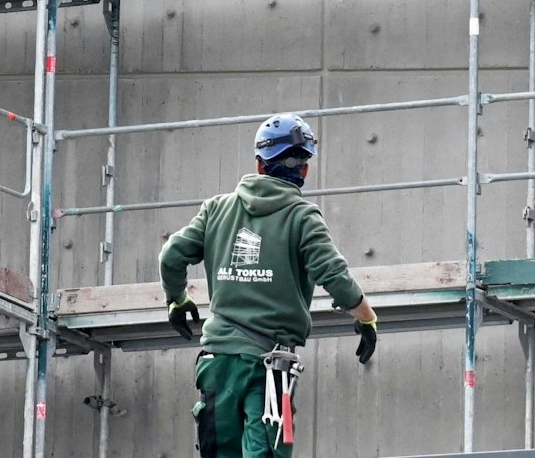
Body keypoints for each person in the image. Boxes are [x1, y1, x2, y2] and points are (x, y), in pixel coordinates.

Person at [159, 113, 379, 458]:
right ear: (304, 170)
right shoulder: (302, 217)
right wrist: (366, 318)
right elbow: (334, 275)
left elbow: (172, 255)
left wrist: (177, 299)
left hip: (216, 362)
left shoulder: (216, 209)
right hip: (268, 367)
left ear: (259, 165)